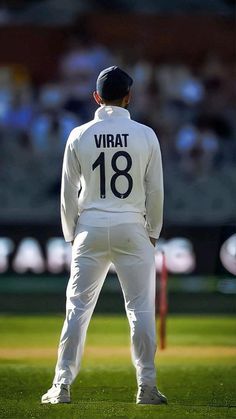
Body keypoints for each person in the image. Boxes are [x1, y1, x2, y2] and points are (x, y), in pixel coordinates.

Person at [41, 66, 167, 405]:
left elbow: (68, 193)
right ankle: (148, 387)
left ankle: (61, 386)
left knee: (76, 310)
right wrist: (152, 231)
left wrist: (72, 233)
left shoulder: (80, 134)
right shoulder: (145, 134)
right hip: (132, 227)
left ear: (96, 97)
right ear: (129, 96)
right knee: (140, 310)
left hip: (90, 227)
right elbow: (155, 190)